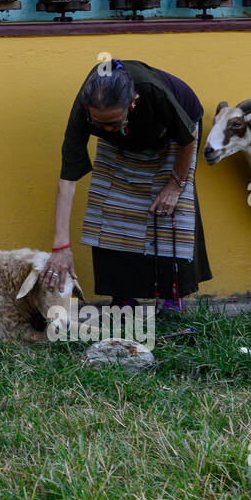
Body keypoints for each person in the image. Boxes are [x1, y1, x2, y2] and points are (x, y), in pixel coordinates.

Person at [41, 58, 212, 316]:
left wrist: (175, 185)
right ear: (88, 109)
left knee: (167, 212)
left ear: (133, 103)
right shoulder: (85, 108)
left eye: (113, 123)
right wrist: (61, 246)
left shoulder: (151, 90)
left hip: (174, 135)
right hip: (124, 142)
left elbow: (186, 138)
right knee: (112, 212)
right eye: (100, 125)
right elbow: (68, 178)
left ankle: (170, 300)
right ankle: (123, 302)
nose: (106, 129)